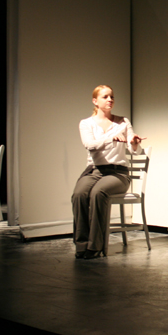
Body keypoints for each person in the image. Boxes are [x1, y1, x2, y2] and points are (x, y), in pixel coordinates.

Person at [71, 85, 144, 259]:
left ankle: (95, 246)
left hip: (118, 173)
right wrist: (110, 138)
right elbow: (89, 145)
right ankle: (81, 244)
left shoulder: (122, 122)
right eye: (105, 97)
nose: (110, 100)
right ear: (95, 101)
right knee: (79, 195)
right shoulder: (86, 123)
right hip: (94, 171)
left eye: (112, 97)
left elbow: (134, 150)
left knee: (98, 193)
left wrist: (134, 143)